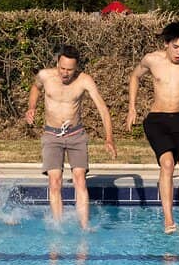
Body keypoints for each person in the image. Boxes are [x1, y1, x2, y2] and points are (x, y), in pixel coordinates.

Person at [125, 22, 179, 245]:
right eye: (175, 47)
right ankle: (168, 218)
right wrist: (132, 107)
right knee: (167, 164)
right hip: (157, 120)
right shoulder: (152, 60)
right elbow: (135, 77)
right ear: (166, 44)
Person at [25, 45, 117, 230]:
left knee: (80, 179)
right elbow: (35, 88)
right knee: (55, 181)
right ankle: (58, 226)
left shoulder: (84, 81)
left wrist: (109, 138)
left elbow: (103, 109)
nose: (65, 73)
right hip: (52, 135)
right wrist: (32, 107)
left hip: (76, 135)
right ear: (57, 63)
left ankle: (84, 226)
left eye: (70, 70)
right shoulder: (45, 76)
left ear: (76, 68)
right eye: (62, 68)